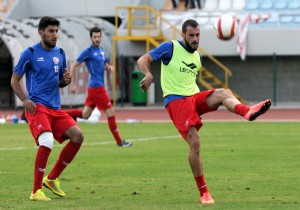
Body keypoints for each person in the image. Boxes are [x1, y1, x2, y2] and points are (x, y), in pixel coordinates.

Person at [136, 19, 271, 204]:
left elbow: (189, 81)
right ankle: (204, 192)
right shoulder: (170, 47)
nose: (195, 39)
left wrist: (198, 103)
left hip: (193, 97)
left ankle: (247, 111)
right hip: (176, 100)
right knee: (195, 143)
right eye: (191, 35)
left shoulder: (197, 57)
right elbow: (143, 59)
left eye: (197, 35)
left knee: (224, 92)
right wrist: (149, 74)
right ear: (183, 35)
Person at [10, 16, 84, 201]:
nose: (55, 35)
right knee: (47, 141)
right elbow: (14, 80)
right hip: (37, 107)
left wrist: (64, 82)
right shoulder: (29, 53)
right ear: (41, 32)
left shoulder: (60, 53)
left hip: (55, 108)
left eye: (56, 31)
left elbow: (58, 82)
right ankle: (36, 191)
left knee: (78, 136)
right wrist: (25, 99)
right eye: (51, 31)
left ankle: (52, 179)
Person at [64, 27, 132, 147]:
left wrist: (108, 67)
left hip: (94, 88)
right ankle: (119, 142)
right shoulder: (88, 51)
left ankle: (62, 114)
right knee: (111, 113)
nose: (97, 39)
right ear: (91, 38)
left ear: (101, 37)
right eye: (94, 37)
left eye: (98, 36)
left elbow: (103, 65)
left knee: (85, 115)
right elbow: (74, 65)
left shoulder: (101, 50)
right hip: (97, 88)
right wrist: (73, 83)